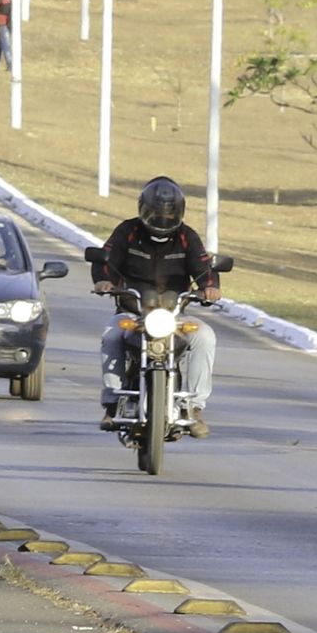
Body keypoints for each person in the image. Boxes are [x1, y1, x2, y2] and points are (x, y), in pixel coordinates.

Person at [91, 176, 221, 438]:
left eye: (169, 213)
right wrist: (104, 281)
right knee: (113, 334)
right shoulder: (127, 232)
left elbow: (204, 267)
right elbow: (106, 259)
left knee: (205, 336)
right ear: (143, 208)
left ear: (179, 212)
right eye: (156, 212)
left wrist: (210, 286)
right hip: (133, 311)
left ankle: (192, 407)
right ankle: (112, 402)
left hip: (174, 315)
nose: (163, 218)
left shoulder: (186, 237)